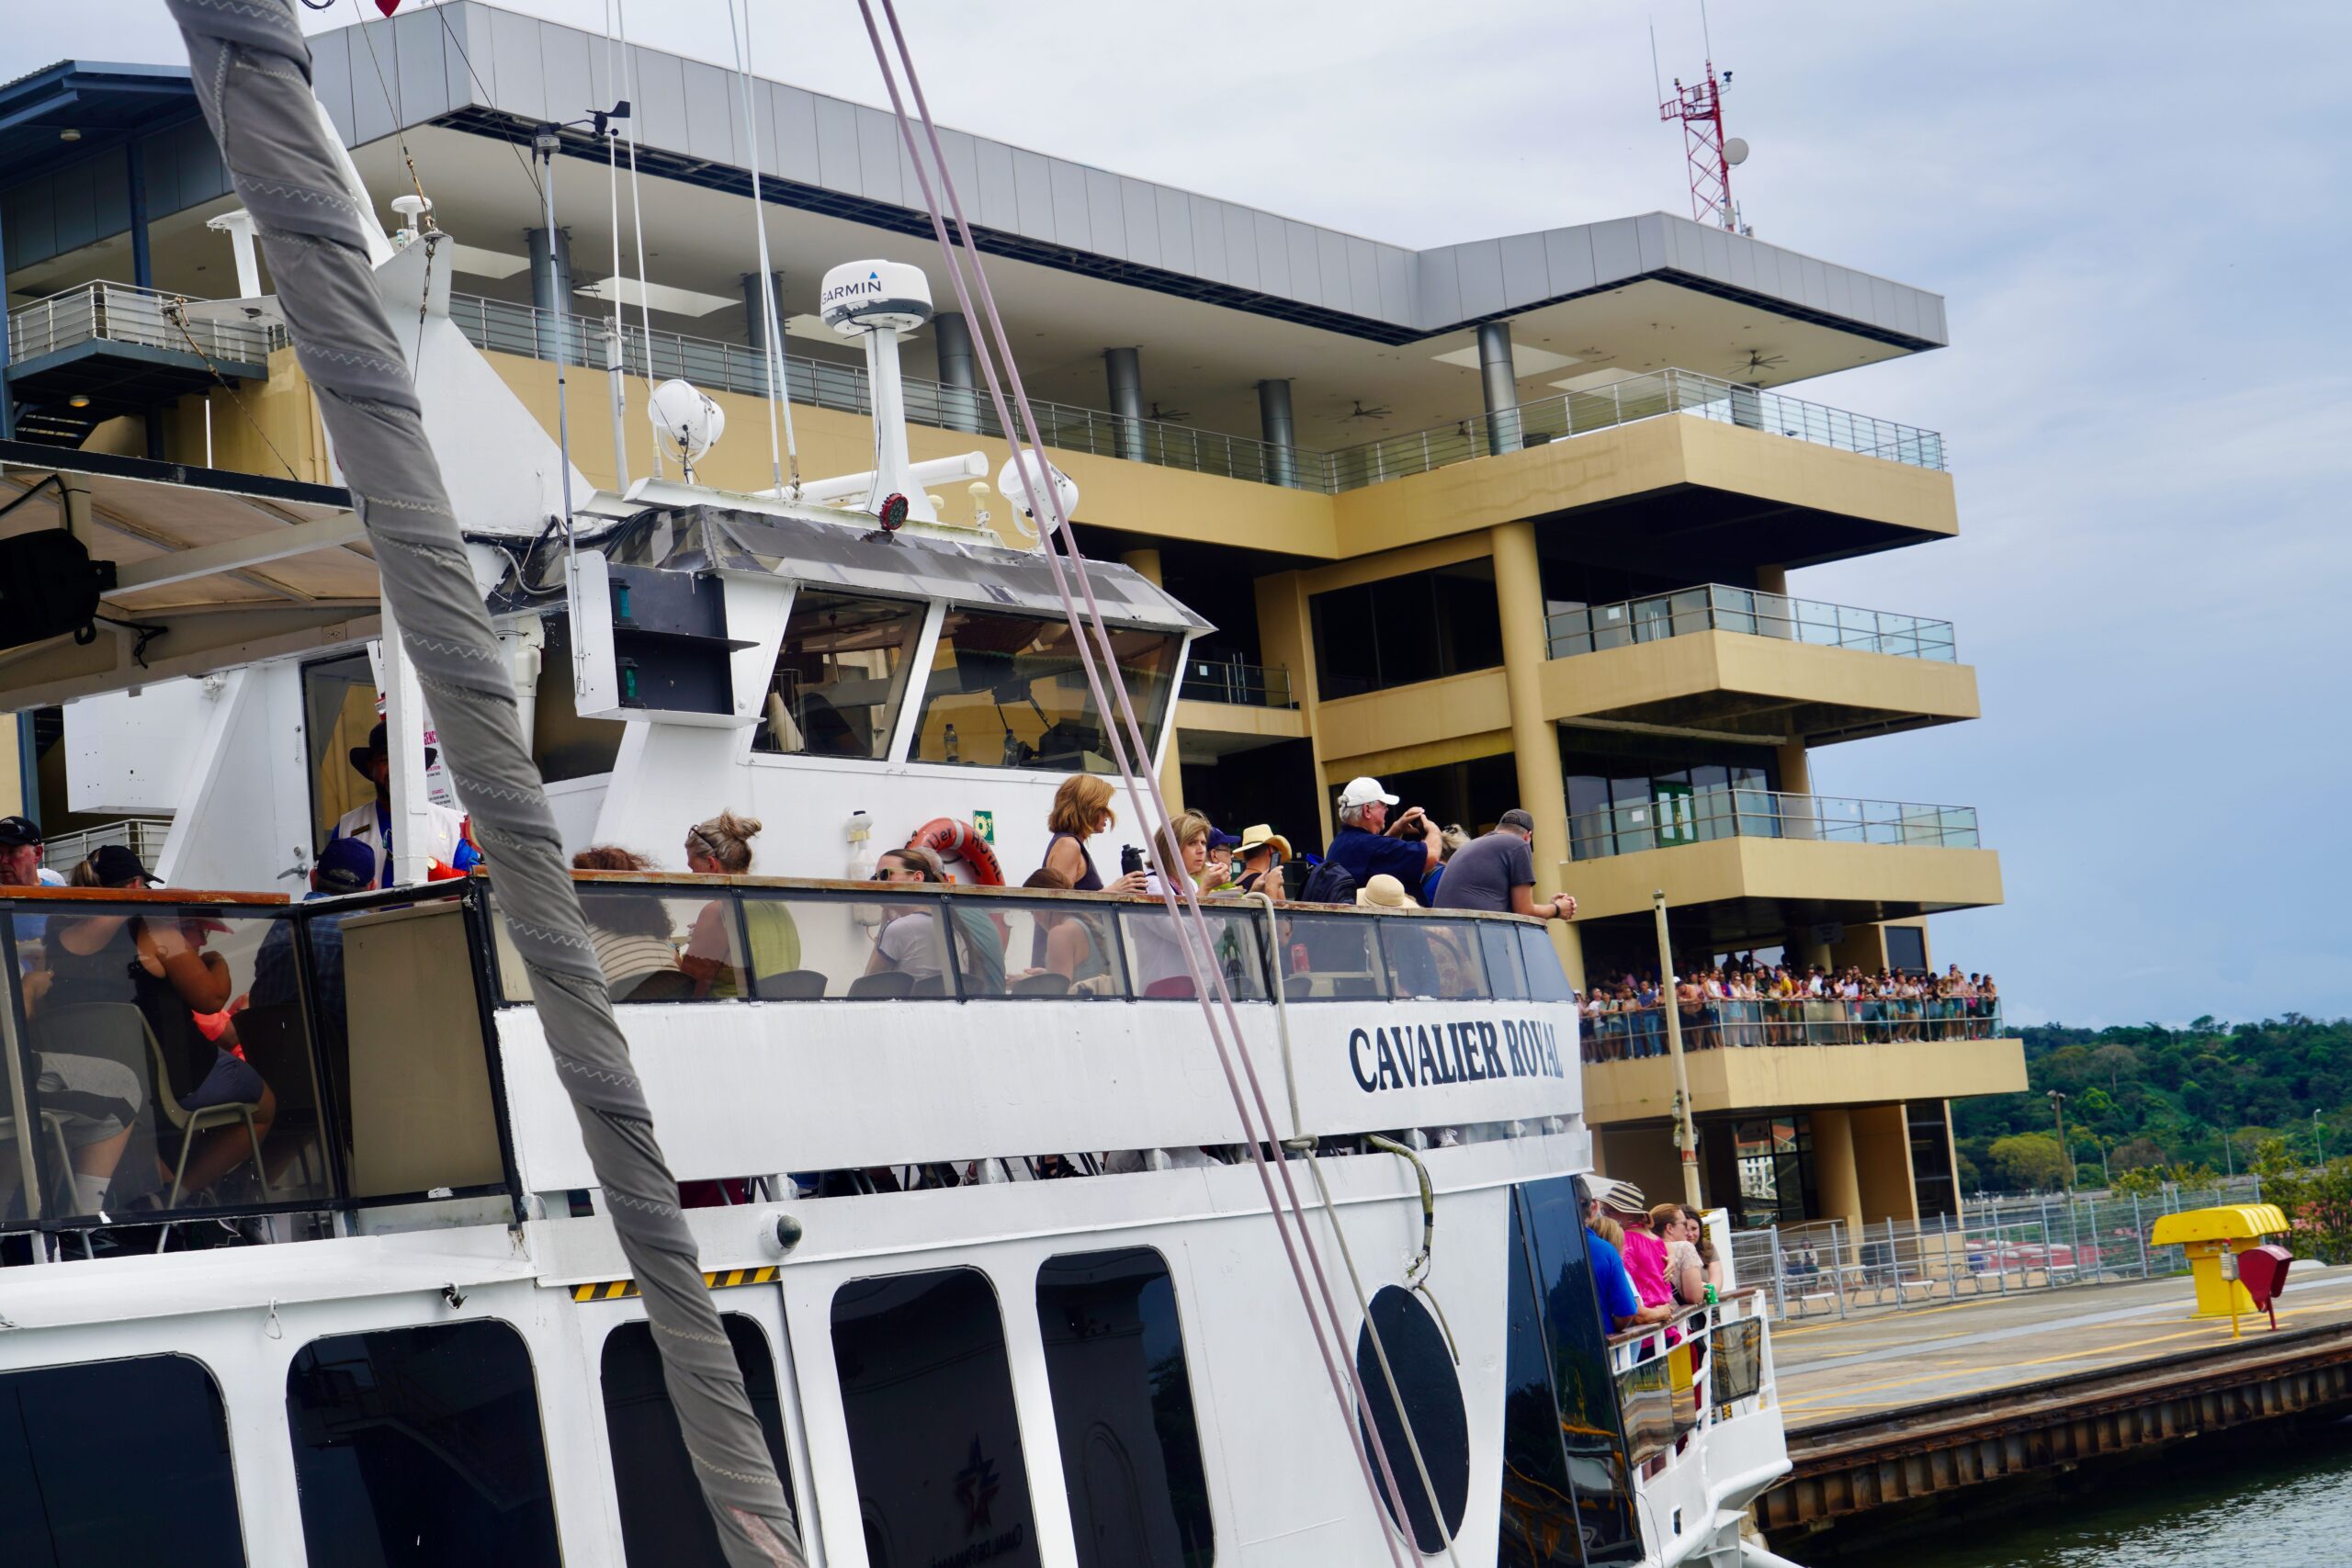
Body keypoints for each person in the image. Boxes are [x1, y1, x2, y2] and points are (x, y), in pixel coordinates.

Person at [46, 845, 274, 1202]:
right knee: (266, 1106)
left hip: (104, 1086)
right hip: (174, 1081)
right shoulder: (151, 930)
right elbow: (211, 998)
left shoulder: (56, 937)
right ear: (136, 886)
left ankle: (170, 1186)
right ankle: (180, 1195)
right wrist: (217, 961)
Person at [249, 836, 374, 1042]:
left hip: (270, 1055)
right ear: (373, 888)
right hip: (338, 1059)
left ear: (313, 878)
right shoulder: (365, 933)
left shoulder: (281, 924)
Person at [330, 721, 479, 890]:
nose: (396, 769)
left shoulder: (455, 826)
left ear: (419, 765)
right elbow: (331, 892)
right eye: (385, 759)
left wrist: (432, 866)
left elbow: (475, 889)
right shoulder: (347, 827)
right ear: (371, 767)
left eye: (407, 758)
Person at [680, 810, 797, 994]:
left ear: (711, 864)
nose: (692, 876)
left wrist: (669, 954)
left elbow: (686, 989)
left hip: (726, 1010)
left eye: (693, 868)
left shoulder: (719, 911)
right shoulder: (776, 905)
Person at [571, 846, 685, 998]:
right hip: (676, 991)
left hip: (624, 999)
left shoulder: (584, 933)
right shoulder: (652, 927)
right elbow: (676, 962)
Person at [1430, 808, 1577, 921]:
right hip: (1474, 932)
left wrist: (1548, 907)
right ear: (1528, 836)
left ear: (1498, 829)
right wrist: (1557, 909)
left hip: (1449, 931)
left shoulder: (1470, 845)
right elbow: (1524, 912)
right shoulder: (1519, 845)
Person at [1320, 776, 1440, 896]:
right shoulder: (1371, 846)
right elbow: (1431, 857)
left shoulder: (1339, 843)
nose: (1387, 809)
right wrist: (1433, 829)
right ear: (1367, 810)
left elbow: (1377, 855)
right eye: (1383, 804)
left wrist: (1396, 829)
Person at [1584, 1179, 1671, 1333]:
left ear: (1630, 1214)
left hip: (1644, 1330)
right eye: (1604, 1211)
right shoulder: (1655, 1239)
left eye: (1610, 1211)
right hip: (1664, 1323)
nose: (1605, 1215)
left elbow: (1631, 1310)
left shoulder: (1627, 1240)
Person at [1041, 773, 1147, 897]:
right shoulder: (1069, 845)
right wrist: (1115, 889)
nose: (1108, 814)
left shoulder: (1068, 843)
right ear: (1089, 807)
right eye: (1103, 807)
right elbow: (1060, 902)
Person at [1655, 1201, 1707, 1306]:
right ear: (1669, 1228)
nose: (1687, 1230)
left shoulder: (1647, 1248)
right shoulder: (1685, 1247)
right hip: (1678, 1315)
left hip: (1653, 1313)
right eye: (1684, 1224)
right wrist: (1700, 1290)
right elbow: (1694, 1297)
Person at [1231, 823, 1291, 899]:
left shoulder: (1234, 884)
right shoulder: (1273, 882)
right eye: (1276, 849)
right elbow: (1282, 907)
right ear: (1271, 850)